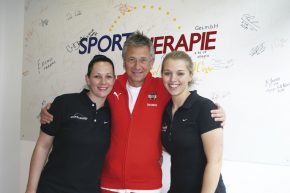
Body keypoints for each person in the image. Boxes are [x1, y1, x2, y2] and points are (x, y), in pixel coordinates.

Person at [40, 31, 225, 193]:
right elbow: (85, 101)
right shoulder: (110, 85)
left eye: (144, 60)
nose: (137, 66)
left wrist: (218, 112)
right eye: (131, 59)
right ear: (124, 61)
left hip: (148, 185)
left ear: (152, 61)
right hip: (109, 183)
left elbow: (188, 100)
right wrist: (51, 109)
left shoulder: (164, 87)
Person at [25, 55, 115, 193]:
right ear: (88, 79)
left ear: (114, 79)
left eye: (108, 76)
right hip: (53, 188)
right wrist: (30, 190)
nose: (103, 82)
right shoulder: (64, 103)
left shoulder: (114, 113)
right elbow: (42, 147)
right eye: (97, 76)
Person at [161, 51, 226, 193]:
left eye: (180, 73)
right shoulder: (164, 111)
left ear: (190, 75)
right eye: (167, 73)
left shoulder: (204, 107)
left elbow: (215, 162)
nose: (173, 79)